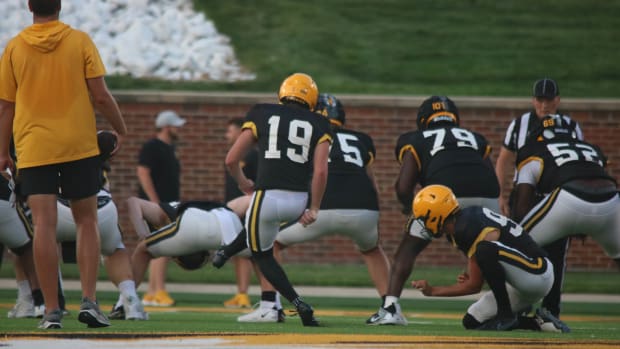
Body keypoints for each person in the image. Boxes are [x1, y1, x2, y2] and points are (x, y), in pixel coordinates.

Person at [0, 0, 127, 329]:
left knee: (44, 225)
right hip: (78, 145)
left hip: (34, 147)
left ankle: (51, 310)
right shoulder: (80, 40)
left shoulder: (14, 47)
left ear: (30, 6)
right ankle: (89, 301)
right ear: (59, 6)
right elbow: (100, 95)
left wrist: (2, 151)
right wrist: (121, 127)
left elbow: (6, 107)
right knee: (87, 222)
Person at [367, 96, 499, 325]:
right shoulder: (475, 138)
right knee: (497, 254)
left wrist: (410, 209)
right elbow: (493, 178)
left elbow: (403, 187)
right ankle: (510, 305)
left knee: (408, 248)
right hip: (489, 197)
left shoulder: (415, 139)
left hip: (447, 194)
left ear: (423, 120)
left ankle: (390, 308)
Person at [260, 93, 388, 322]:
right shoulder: (362, 139)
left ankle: (272, 305)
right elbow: (373, 184)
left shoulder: (308, 131)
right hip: (365, 207)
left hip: (322, 207)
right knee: (372, 250)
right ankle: (391, 306)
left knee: (271, 244)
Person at [224, 72, 331, 327]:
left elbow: (230, 159)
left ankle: (292, 304)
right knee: (263, 242)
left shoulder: (261, 113)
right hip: (297, 200)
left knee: (261, 255)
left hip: (267, 197)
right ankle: (225, 256)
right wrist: (313, 207)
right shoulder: (320, 123)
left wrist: (243, 183)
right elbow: (321, 171)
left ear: (283, 93)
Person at [410, 185, 567, 332]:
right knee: (472, 321)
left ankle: (505, 315)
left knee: (485, 249)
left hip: (537, 272)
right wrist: (478, 272)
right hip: (520, 280)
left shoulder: (466, 228)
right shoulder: (464, 222)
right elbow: (484, 271)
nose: (423, 225)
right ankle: (539, 323)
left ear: (436, 215)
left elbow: (474, 285)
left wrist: (433, 291)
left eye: (424, 219)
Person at [512, 115, 620, 325]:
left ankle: (511, 310)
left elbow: (522, 204)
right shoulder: (590, 149)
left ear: (537, 136)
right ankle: (551, 310)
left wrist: (520, 232)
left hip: (569, 197)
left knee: (515, 243)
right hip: (611, 199)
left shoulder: (533, 151)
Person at [495, 78, 583, 217]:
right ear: (533, 100)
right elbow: (504, 160)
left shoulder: (570, 126)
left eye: (549, 100)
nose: (544, 105)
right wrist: (499, 196)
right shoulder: (519, 124)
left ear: (557, 100)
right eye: (540, 100)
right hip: (524, 195)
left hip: (559, 195)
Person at [131, 196, 252, 291]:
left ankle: (125, 303)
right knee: (261, 252)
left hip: (190, 222)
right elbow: (250, 200)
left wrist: (143, 235)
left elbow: (132, 201)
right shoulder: (225, 207)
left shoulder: (166, 212)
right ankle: (268, 303)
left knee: (143, 250)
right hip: (226, 219)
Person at [136, 109, 186, 307]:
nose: (179, 130)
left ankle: (151, 293)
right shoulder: (152, 146)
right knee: (163, 247)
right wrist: (155, 202)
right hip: (158, 205)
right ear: (166, 126)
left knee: (160, 247)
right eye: (176, 126)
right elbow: (143, 173)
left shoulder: (170, 148)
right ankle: (159, 291)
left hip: (169, 204)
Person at [222, 118, 257, 309]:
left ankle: (244, 294)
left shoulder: (251, 155)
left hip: (246, 208)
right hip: (234, 209)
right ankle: (240, 292)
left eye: (230, 131)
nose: (227, 135)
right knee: (236, 252)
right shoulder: (235, 155)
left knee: (244, 253)